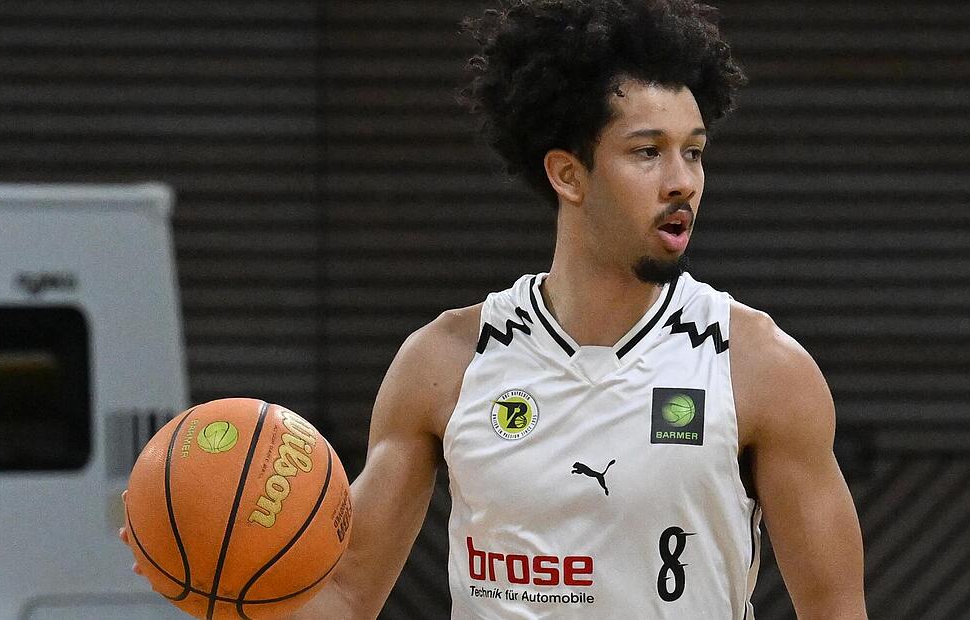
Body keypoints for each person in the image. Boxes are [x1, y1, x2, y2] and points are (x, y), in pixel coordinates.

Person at [125, 0, 867, 617]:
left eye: (694, 151)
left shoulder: (759, 369)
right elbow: (346, 597)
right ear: (568, 174)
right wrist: (211, 576)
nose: (683, 181)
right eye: (648, 152)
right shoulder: (445, 363)